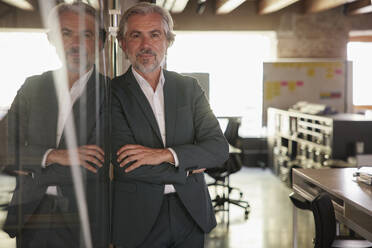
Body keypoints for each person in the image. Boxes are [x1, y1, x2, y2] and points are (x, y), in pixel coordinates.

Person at [111, 2, 229, 248]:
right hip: (137, 218)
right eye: (136, 35)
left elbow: (218, 149)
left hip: (191, 213)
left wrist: (164, 155)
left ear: (168, 41)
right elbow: (127, 165)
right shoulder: (111, 93)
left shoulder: (189, 88)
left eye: (155, 35)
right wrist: (187, 165)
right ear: (123, 44)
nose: (146, 45)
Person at [2, 2, 109, 248]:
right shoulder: (32, 87)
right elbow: (5, 150)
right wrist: (58, 156)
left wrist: (32, 168)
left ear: (100, 42)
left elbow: (99, 165)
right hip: (31, 214)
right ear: (52, 39)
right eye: (66, 33)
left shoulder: (112, 93)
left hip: (88, 219)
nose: (76, 43)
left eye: (86, 34)